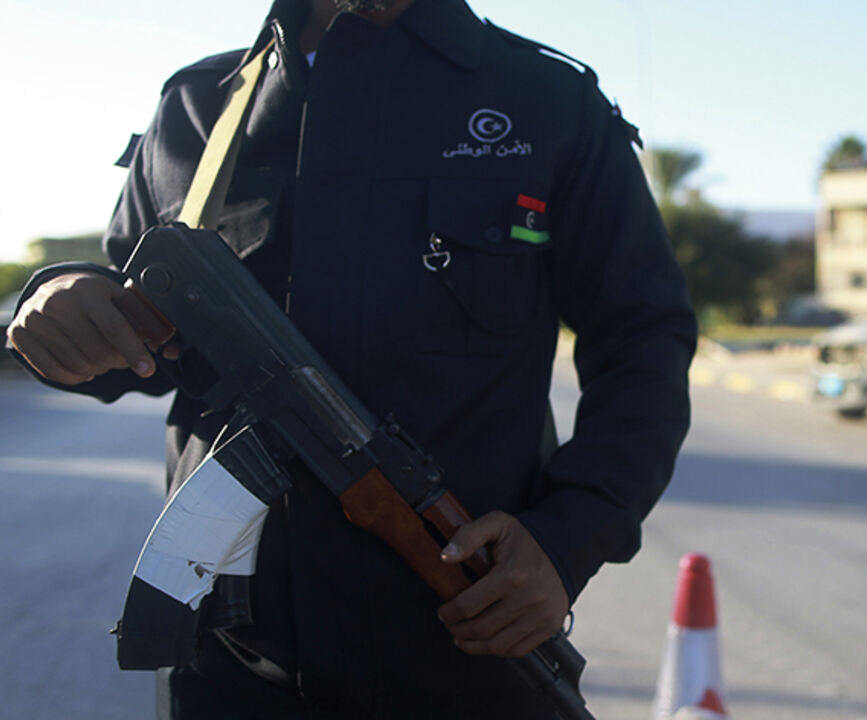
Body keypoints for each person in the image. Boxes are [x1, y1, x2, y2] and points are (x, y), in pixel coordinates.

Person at [6, 0, 696, 717]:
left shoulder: (545, 101)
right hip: (233, 676)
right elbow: (131, 334)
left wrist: (570, 533)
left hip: (462, 659)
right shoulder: (198, 109)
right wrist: (59, 302)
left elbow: (644, 338)